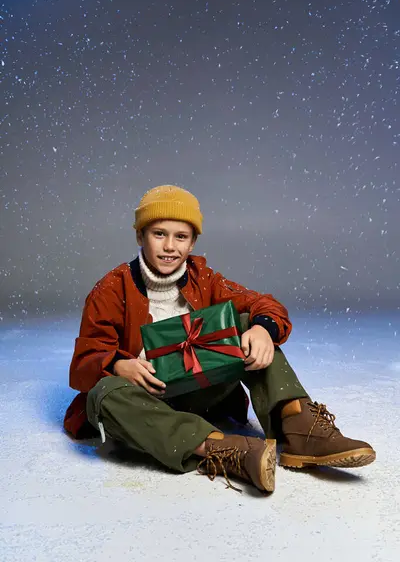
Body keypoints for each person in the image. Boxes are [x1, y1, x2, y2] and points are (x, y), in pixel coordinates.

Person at [64, 185, 375, 493]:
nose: (170, 246)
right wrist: (120, 364)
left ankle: (300, 429)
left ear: (192, 242)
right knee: (103, 394)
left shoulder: (205, 278)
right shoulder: (110, 289)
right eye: (159, 234)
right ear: (140, 236)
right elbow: (84, 363)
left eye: (181, 237)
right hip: (146, 401)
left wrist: (263, 329)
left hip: (200, 392)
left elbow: (264, 304)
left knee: (245, 324)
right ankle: (225, 450)